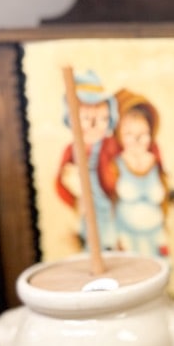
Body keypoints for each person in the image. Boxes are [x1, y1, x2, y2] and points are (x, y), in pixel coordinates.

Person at [100, 89, 170, 257]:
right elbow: (109, 204)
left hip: (155, 235)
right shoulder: (116, 165)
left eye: (143, 134)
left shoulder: (155, 163)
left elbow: (163, 198)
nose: (137, 140)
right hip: (128, 237)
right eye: (129, 134)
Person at [55, 70, 119, 250]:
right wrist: (75, 202)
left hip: (110, 208)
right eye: (86, 118)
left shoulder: (110, 145)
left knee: (112, 241)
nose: (94, 125)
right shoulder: (72, 150)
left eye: (102, 118)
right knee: (91, 241)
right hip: (87, 209)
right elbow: (59, 182)